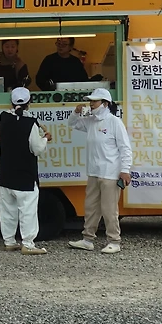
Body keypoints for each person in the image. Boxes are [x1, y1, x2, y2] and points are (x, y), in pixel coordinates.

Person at [66, 87, 132, 254]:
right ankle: (87, 239)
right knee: (91, 207)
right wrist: (75, 112)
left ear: (105, 103)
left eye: (94, 101)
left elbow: (125, 148)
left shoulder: (114, 122)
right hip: (94, 172)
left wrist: (125, 170)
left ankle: (114, 241)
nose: (91, 104)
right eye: (91, 101)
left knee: (109, 209)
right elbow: (72, 123)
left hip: (110, 173)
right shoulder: (90, 121)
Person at [0, 87, 53, 255]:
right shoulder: (31, 123)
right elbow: (37, 149)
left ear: (10, 102)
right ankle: (28, 244)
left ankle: (9, 242)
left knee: (7, 210)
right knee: (27, 211)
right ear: (29, 103)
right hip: (25, 174)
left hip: (5, 173)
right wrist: (45, 138)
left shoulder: (2, 117)